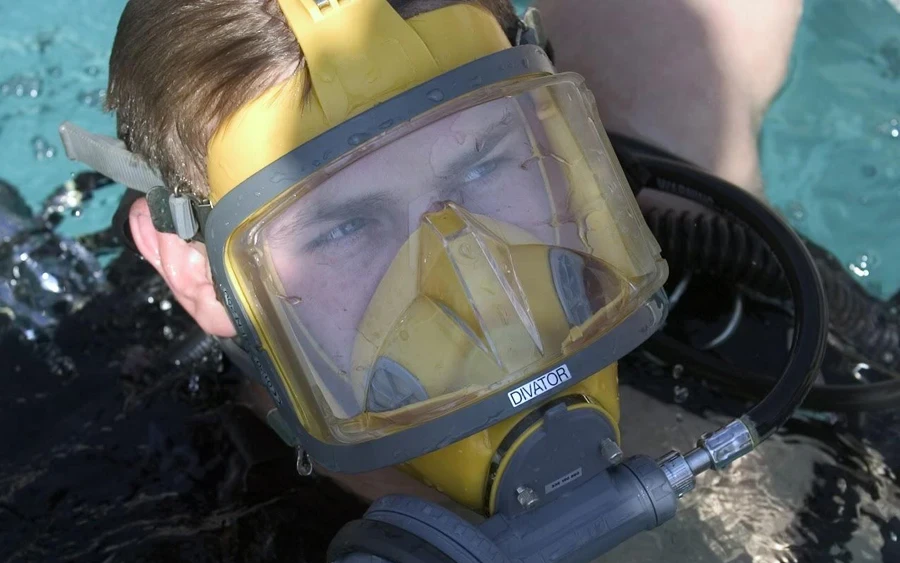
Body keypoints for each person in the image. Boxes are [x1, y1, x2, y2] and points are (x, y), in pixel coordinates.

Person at [104, 0, 802, 504]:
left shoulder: (740, 288)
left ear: (555, 146)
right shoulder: (165, 543)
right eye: (344, 227)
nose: (470, 265)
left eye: (484, 166)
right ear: (197, 275)